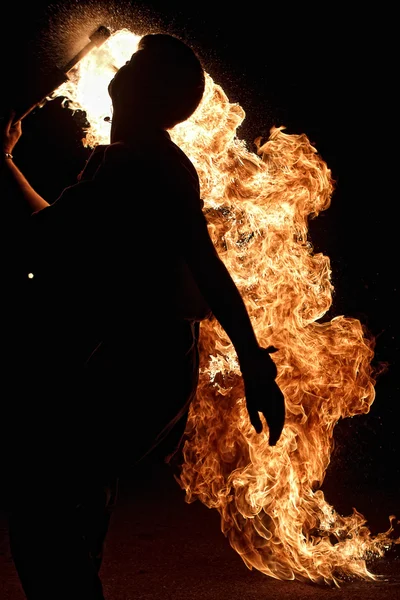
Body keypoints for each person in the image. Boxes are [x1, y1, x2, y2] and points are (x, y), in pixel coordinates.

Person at [1, 33, 285, 600]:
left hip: (135, 367)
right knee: (69, 508)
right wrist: (254, 363)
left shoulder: (137, 169)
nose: (121, 61)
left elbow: (41, 240)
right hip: (147, 367)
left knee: (46, 510)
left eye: (137, 63)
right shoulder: (151, 163)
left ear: (149, 93)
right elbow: (205, 266)